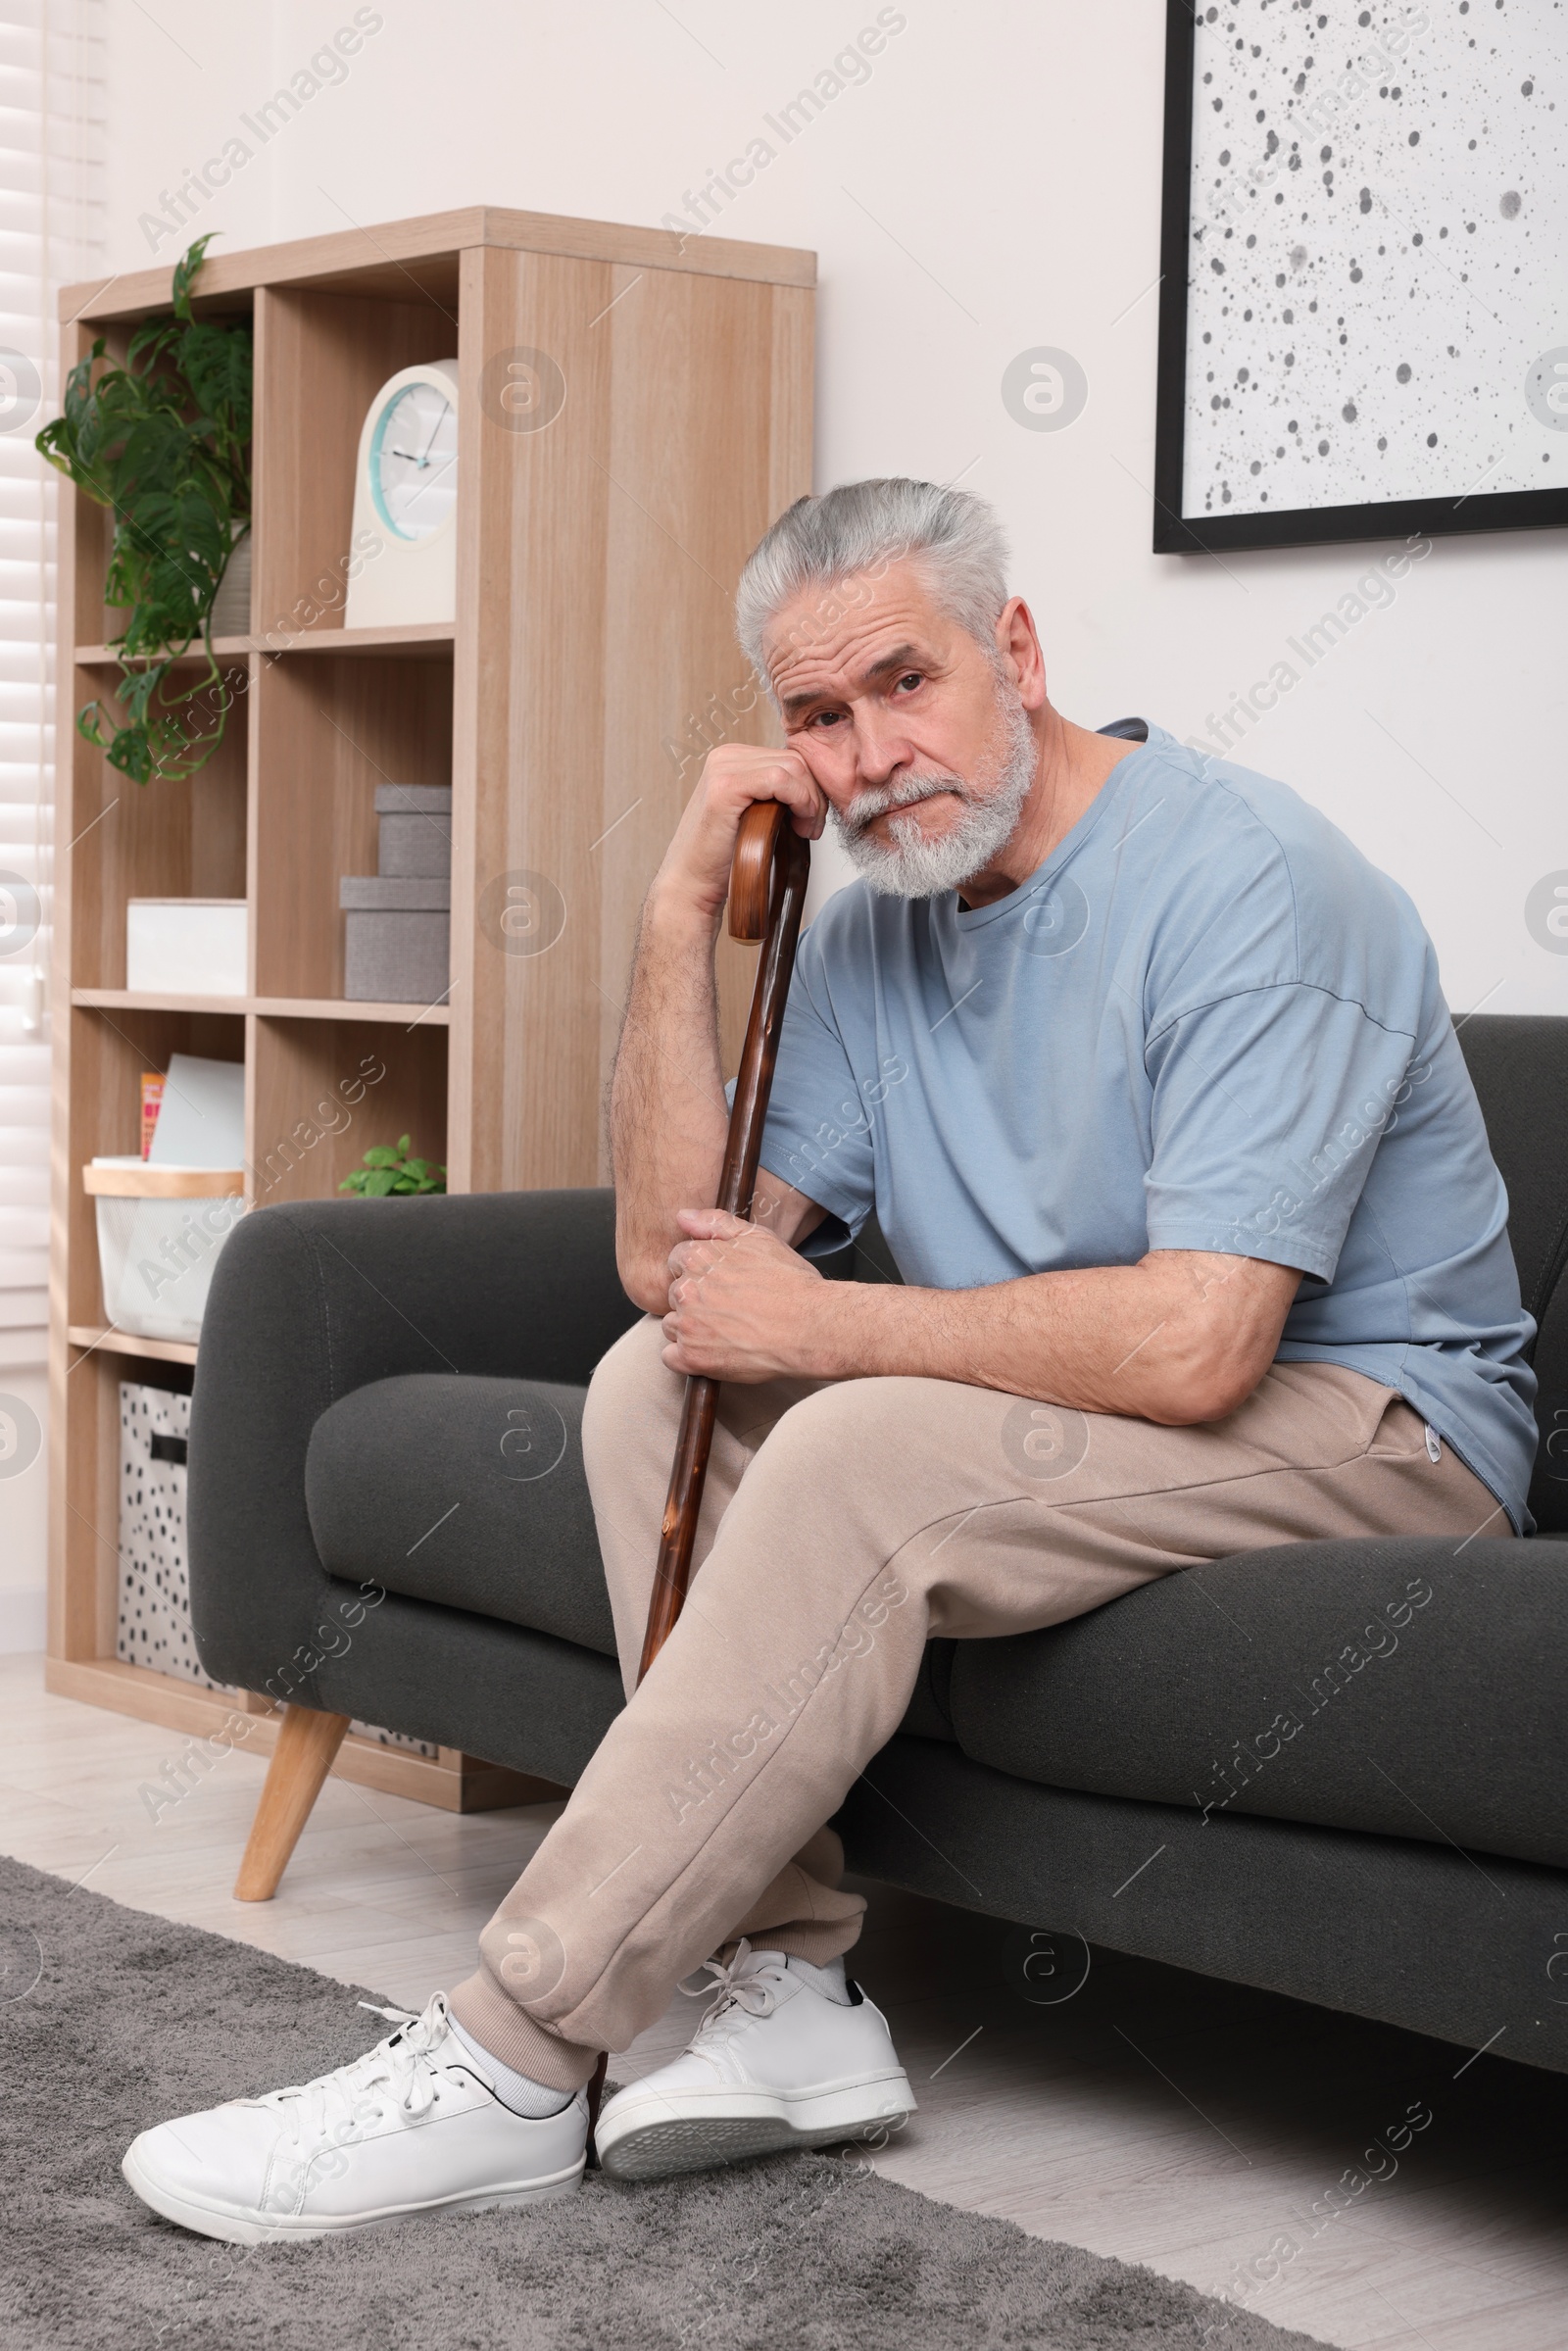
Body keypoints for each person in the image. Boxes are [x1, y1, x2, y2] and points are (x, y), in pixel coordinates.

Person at [123, 478, 1535, 2244]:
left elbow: (1198, 1341)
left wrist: (843, 1331)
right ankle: (786, 1994)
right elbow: (671, 1268)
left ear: (1016, 653)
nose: (870, 759)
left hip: (1376, 1424)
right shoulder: (872, 921)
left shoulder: (1254, 880)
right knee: (659, 1378)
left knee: (855, 1444)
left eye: (904, 684)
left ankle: (512, 2050)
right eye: (817, 718)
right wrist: (674, 912)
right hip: (1067, 1405)